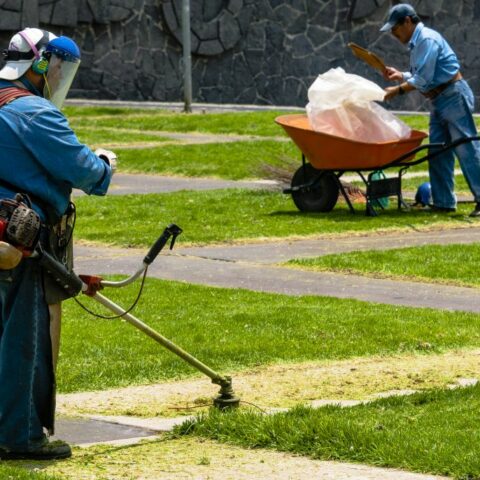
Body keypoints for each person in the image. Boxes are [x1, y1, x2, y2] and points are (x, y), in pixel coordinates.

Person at [0, 28, 116, 460]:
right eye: (61, 68)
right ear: (43, 64)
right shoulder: (35, 113)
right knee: (21, 340)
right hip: (17, 241)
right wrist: (104, 163)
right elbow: (86, 172)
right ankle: (19, 435)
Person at [380, 3, 480, 217]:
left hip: (453, 95)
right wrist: (402, 75)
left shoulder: (426, 39)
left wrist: (397, 90)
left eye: (395, 28)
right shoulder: (418, 43)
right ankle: (444, 202)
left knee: (466, 150)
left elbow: (423, 79)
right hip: (439, 99)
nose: (394, 34)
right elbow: (424, 74)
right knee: (438, 151)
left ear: (408, 21)